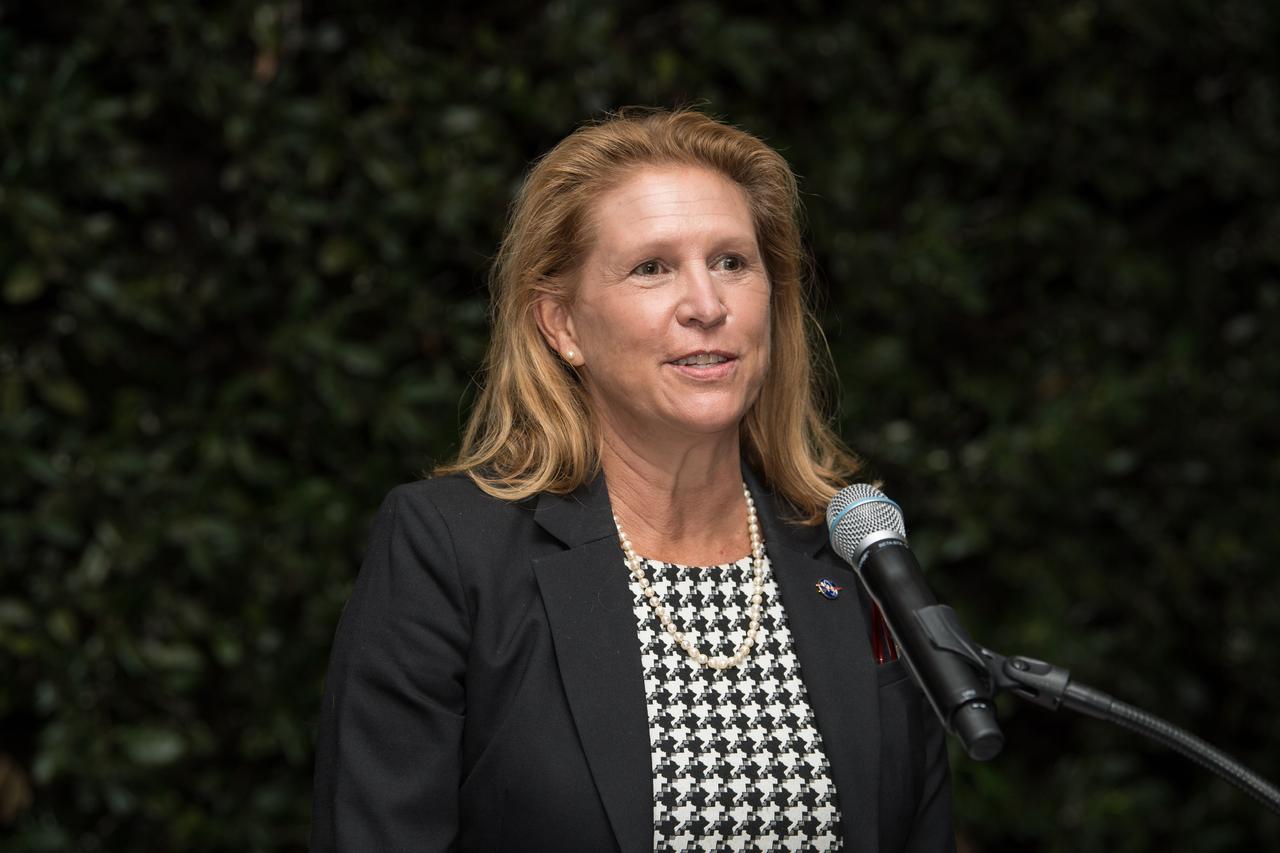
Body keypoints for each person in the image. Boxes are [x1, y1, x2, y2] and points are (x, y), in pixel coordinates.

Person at [311, 108, 954, 852]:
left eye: (731, 262)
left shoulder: (851, 550)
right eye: (652, 268)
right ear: (562, 325)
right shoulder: (453, 550)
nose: (707, 306)